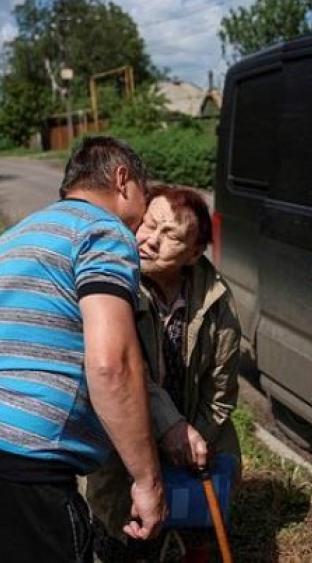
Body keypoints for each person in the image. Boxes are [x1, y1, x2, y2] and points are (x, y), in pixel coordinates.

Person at [0, 135, 167, 562]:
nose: (144, 210)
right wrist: (147, 482)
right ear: (122, 179)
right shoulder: (105, 231)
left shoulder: (9, 240)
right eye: (145, 194)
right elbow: (112, 365)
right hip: (22, 482)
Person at [84, 184, 243, 562]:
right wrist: (163, 438)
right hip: (126, 438)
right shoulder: (115, 288)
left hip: (195, 435)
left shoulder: (216, 300)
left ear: (193, 253)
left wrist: (192, 444)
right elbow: (121, 374)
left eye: (169, 234)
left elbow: (221, 392)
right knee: (122, 539)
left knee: (196, 530)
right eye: (148, 225)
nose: (151, 241)